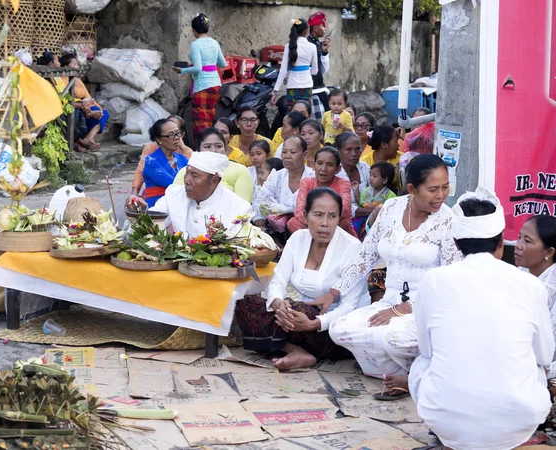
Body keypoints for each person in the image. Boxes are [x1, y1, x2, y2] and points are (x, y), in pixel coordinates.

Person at [409, 188, 554, 450]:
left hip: (447, 422)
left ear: (456, 243)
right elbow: (544, 356)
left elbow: (426, 349)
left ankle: (454, 439)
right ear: (501, 243)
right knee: (536, 368)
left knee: (423, 362)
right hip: (518, 423)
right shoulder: (531, 285)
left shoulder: (433, 281)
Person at [324, 155, 461, 396]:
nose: (441, 195)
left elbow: (452, 280)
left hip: (427, 306)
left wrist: (406, 308)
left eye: (445, 187)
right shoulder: (390, 208)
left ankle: (411, 377)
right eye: (433, 189)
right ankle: (398, 372)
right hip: (389, 300)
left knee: (394, 338)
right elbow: (365, 256)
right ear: (411, 189)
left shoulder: (449, 221)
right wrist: (335, 291)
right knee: (338, 328)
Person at [236, 188, 370, 370]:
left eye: (332, 216)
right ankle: (295, 350)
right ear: (305, 216)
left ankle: (284, 343)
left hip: (335, 328)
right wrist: (277, 303)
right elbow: (279, 279)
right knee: (246, 304)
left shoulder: (352, 248)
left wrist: (313, 324)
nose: (325, 223)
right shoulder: (298, 239)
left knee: (296, 310)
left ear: (340, 218)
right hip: (299, 321)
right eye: (318, 215)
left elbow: (349, 307)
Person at [151, 152, 252, 236]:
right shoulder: (174, 195)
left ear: (214, 180)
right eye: (187, 173)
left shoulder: (239, 208)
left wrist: (223, 236)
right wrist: (137, 213)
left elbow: (241, 247)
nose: (186, 180)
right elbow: (150, 223)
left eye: (194, 176)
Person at [515, 215, 556, 378]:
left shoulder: (551, 287)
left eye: (527, 241)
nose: (518, 246)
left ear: (549, 252)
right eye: (519, 237)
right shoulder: (519, 274)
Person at [173, 13, 227, 140]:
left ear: (194, 30)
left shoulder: (196, 44)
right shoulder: (214, 43)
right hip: (215, 85)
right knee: (210, 120)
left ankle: (203, 151)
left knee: (200, 124)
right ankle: (212, 147)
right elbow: (222, 63)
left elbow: (198, 68)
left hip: (202, 86)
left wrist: (182, 70)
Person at [252, 136, 314, 237]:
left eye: (293, 152)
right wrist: (262, 228)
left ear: (304, 155)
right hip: (276, 235)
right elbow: (259, 203)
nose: (287, 156)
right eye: (284, 152)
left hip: (307, 234)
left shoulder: (312, 178)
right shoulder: (276, 176)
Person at [288, 147, 356, 237]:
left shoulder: (343, 184)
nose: (323, 168)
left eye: (329, 165)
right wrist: (317, 224)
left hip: (336, 226)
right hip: (311, 224)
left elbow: (344, 209)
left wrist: (321, 220)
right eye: (319, 163)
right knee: (292, 222)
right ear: (314, 165)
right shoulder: (307, 182)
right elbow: (299, 210)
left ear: (337, 169)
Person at [173, 128, 254, 202]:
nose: (213, 150)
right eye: (207, 146)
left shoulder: (240, 171)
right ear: (198, 150)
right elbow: (176, 201)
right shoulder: (186, 171)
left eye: (218, 146)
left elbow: (243, 206)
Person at [126, 119, 187, 209]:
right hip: (158, 205)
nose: (177, 137)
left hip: (181, 201)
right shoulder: (151, 161)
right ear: (159, 139)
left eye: (178, 133)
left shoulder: (182, 158)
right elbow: (173, 184)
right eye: (171, 135)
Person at [60, 53, 109, 152]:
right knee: (81, 114)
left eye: (77, 64)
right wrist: (83, 106)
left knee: (103, 114)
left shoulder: (77, 80)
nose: (77, 66)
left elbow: (88, 96)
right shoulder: (61, 80)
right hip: (75, 107)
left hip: (84, 105)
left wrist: (99, 109)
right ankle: (80, 142)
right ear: (66, 66)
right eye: (74, 64)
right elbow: (64, 100)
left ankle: (88, 138)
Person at [271, 19, 318, 108]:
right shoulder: (312, 47)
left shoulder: (288, 46)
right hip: (307, 86)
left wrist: (275, 91)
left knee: (292, 114)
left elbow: (283, 71)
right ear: (306, 31)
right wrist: (307, 70)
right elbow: (315, 71)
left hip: (292, 85)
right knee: (305, 112)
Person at [334, 132, 370, 223]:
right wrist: (372, 211)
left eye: (357, 149)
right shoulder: (334, 173)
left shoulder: (364, 168)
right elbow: (341, 207)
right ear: (338, 151)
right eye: (349, 150)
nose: (354, 154)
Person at [360, 125, 402, 192]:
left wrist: (405, 137)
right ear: (384, 145)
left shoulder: (402, 159)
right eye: (396, 141)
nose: (398, 145)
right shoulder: (364, 163)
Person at [307, 12, 331, 119]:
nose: (325, 29)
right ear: (316, 28)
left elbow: (323, 70)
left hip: (319, 86)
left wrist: (324, 52)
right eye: (323, 26)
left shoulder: (318, 44)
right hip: (311, 89)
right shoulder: (307, 44)